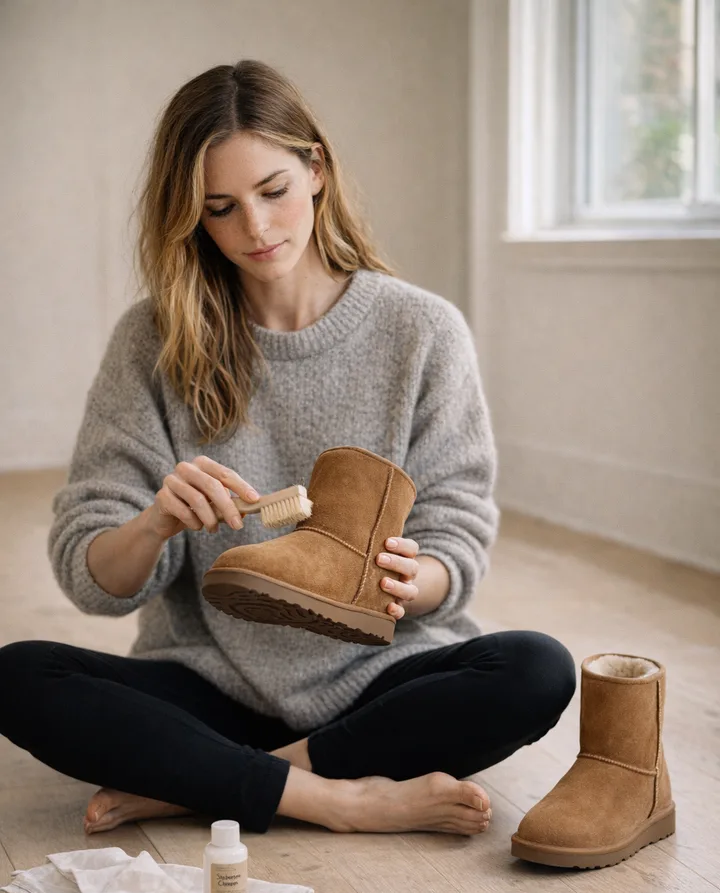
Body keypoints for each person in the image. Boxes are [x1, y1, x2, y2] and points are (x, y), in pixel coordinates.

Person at [0, 60, 576, 839]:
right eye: (221, 209)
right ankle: (335, 796)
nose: (257, 229)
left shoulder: (422, 330)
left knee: (536, 669)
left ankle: (208, 780)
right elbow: (94, 580)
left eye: (273, 191)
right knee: (18, 676)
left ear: (317, 169)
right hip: (209, 679)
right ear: (191, 217)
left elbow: (457, 539)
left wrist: (415, 577)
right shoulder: (152, 341)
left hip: (377, 679)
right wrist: (155, 526)